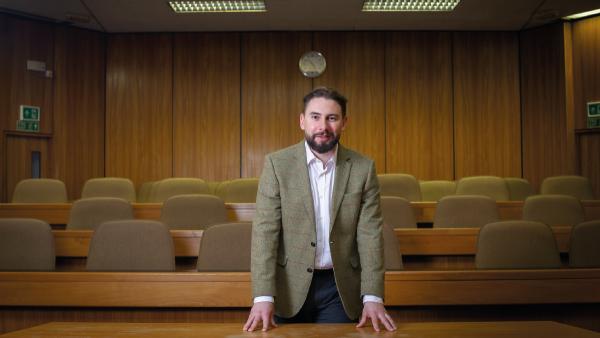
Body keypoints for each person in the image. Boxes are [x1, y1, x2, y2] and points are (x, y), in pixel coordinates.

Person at [243, 87, 396, 332]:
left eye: (332, 118)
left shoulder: (363, 168)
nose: (322, 126)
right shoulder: (276, 165)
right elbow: (265, 233)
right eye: (315, 117)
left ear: (344, 122)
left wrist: (373, 297)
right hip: (288, 288)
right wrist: (262, 296)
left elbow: (370, 236)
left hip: (340, 288)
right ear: (302, 120)